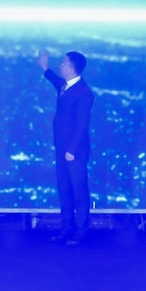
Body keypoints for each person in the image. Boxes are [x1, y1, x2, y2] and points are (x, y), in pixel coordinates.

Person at [38, 50, 94, 246]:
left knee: (79, 190)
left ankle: (81, 230)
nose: (61, 65)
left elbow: (81, 125)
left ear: (71, 68)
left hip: (74, 151)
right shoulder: (65, 86)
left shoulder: (84, 93)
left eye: (63, 63)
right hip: (62, 148)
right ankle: (67, 227)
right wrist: (45, 67)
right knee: (64, 189)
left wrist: (72, 150)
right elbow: (55, 81)